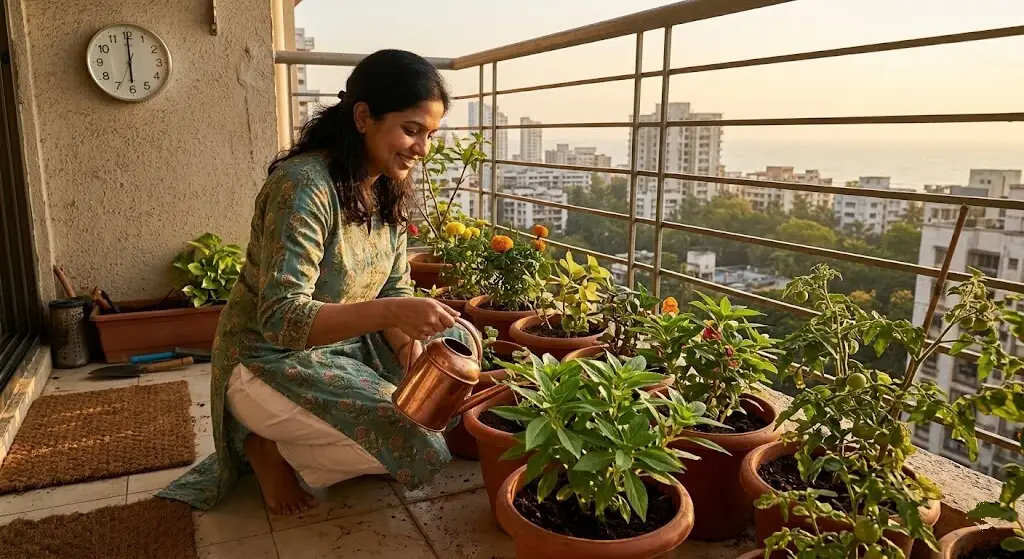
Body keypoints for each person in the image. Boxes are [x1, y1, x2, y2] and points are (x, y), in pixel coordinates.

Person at [159, 49, 473, 516]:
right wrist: (392, 314)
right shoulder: (302, 186)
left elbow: (394, 290)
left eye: (430, 135)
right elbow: (282, 320)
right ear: (363, 116)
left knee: (458, 342)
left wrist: (410, 348)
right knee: (414, 441)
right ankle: (265, 446)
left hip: (346, 346)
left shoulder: (385, 186)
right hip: (268, 359)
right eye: (411, 130)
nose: (423, 150)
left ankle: (340, 437)